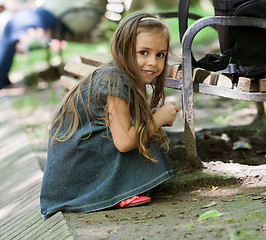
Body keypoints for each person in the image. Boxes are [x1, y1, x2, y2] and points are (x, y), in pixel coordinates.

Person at [40, 12, 180, 219]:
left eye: (160, 55)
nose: (153, 62)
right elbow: (124, 142)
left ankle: (121, 187)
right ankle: (116, 193)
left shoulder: (119, 75)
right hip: (74, 178)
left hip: (76, 167)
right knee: (144, 130)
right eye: (143, 52)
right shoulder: (115, 80)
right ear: (123, 50)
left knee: (145, 127)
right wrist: (158, 118)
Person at [0, 0, 106, 89]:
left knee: (15, 23)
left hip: (75, 15)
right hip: (60, 12)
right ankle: (3, 78)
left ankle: (2, 78)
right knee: (13, 23)